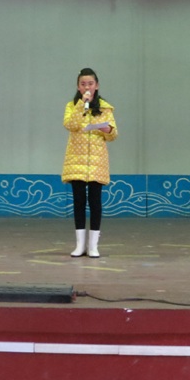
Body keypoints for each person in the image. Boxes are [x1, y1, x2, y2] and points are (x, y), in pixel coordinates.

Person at [62, 68, 118, 258]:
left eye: (90, 84)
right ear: (78, 87)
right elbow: (70, 125)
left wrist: (107, 129)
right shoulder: (72, 106)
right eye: (83, 84)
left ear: (97, 85)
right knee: (78, 201)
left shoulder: (105, 108)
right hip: (76, 160)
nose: (87, 87)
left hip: (96, 161)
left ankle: (93, 246)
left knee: (95, 202)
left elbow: (113, 135)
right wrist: (81, 105)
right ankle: (80, 245)